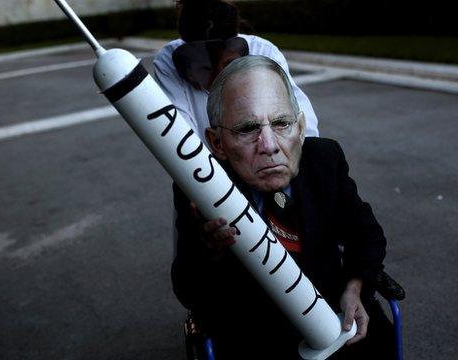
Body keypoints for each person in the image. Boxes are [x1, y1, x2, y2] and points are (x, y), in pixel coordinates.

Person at [171, 55, 395, 359]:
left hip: (339, 318)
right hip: (256, 335)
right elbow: (188, 289)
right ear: (217, 143)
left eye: (281, 123)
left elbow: (366, 235)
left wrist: (354, 288)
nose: (269, 145)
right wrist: (208, 250)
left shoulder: (324, 160)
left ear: (301, 128)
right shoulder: (200, 187)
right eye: (248, 129)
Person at [153, 0, 320, 144]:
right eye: (205, 67)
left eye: (228, 63)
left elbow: (299, 118)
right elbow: (180, 133)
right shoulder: (168, 62)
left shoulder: (263, 50)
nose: (218, 77)